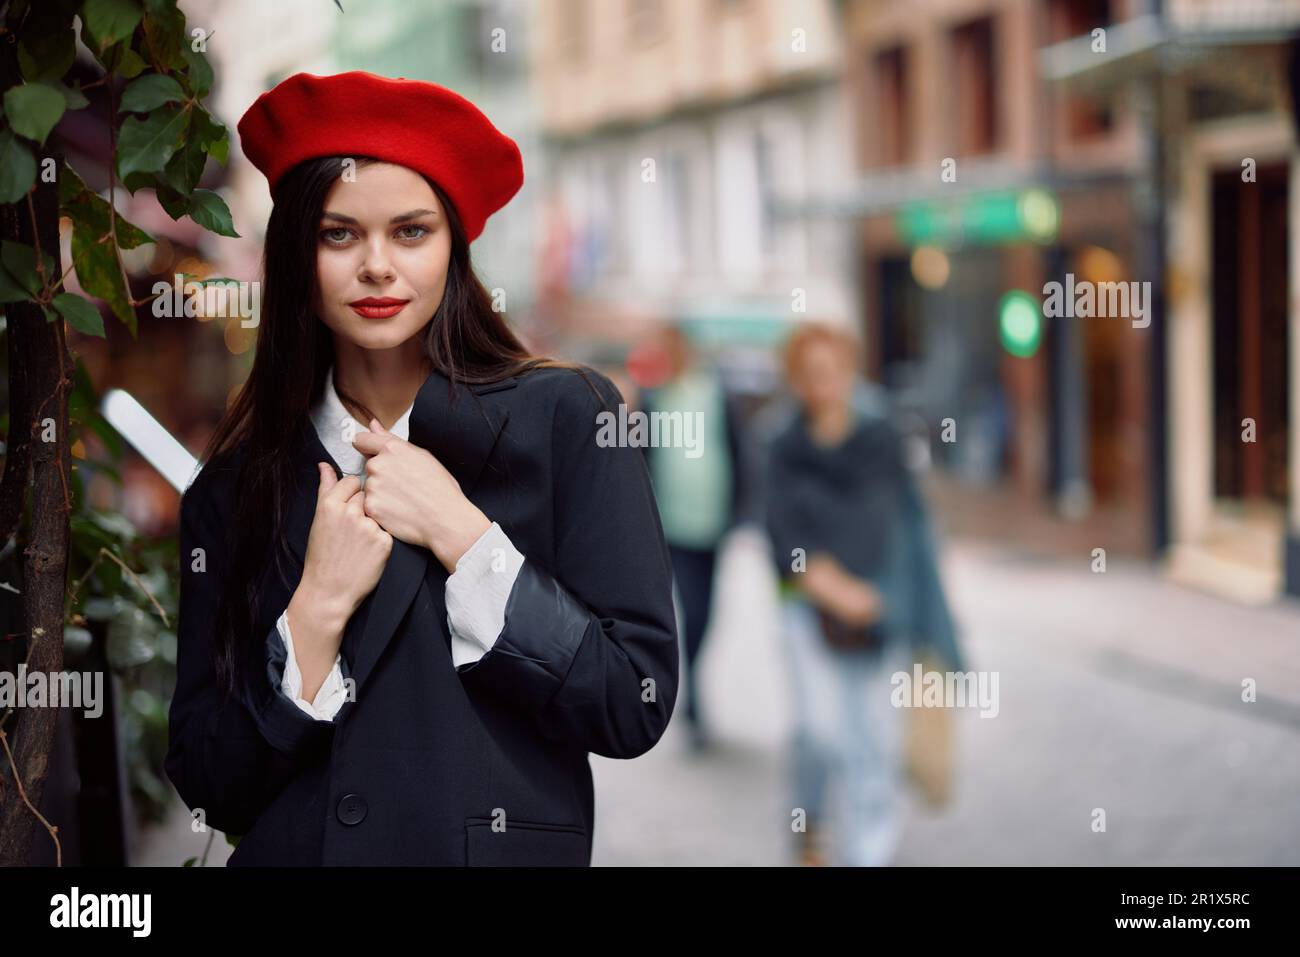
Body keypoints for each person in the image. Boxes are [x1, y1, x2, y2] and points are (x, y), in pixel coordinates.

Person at [164, 71, 679, 866]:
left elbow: (630, 702)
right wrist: (315, 610)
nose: (377, 266)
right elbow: (209, 784)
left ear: (453, 247)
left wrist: (465, 537)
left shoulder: (567, 418)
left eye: (411, 231)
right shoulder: (234, 485)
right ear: (298, 251)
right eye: (340, 234)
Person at [764, 322, 962, 867]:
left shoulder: (883, 437)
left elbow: (910, 527)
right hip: (808, 612)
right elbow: (781, 536)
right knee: (818, 731)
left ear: (849, 370)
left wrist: (909, 610)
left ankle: (867, 855)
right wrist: (828, 585)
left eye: (831, 370)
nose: (822, 383)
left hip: (880, 611)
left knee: (871, 742)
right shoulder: (781, 443)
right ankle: (810, 822)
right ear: (796, 380)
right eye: (809, 374)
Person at [638, 324, 746, 751]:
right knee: (690, 609)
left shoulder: (716, 393)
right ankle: (693, 701)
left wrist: (740, 511)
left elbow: (737, 451)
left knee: (706, 615)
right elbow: (639, 458)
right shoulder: (654, 398)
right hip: (672, 527)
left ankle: (694, 686)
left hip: (712, 524)